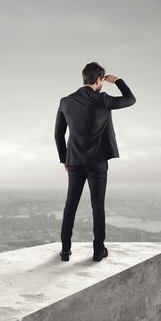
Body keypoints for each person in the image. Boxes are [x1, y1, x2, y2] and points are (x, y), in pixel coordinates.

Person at [54, 62, 136, 262]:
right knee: (97, 205)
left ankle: (65, 251)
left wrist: (65, 159)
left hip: (74, 162)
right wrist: (117, 80)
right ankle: (98, 251)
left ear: (84, 78)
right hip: (98, 162)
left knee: (70, 205)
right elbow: (131, 99)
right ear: (99, 80)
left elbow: (58, 134)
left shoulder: (65, 102)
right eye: (103, 81)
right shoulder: (103, 99)